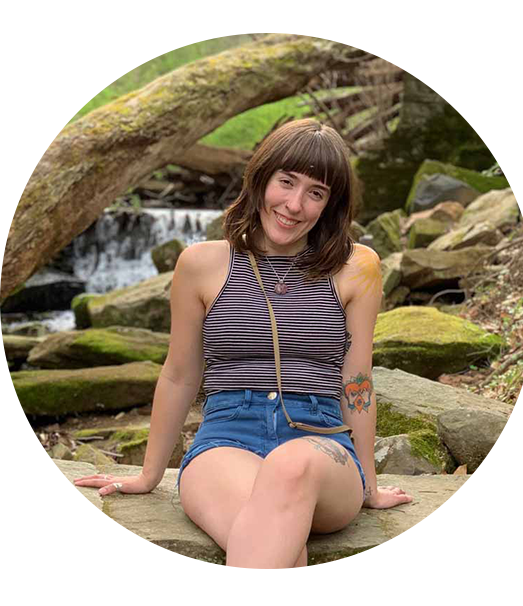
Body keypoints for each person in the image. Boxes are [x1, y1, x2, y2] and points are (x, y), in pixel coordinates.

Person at [73, 118, 413, 569]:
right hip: (226, 440)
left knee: (291, 467)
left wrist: (368, 486)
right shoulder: (201, 264)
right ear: (260, 180)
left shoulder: (358, 267)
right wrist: (149, 474)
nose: (294, 205)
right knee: (280, 552)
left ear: (331, 205)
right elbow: (179, 373)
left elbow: (357, 380)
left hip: (320, 445)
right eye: (286, 182)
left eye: (316, 192)